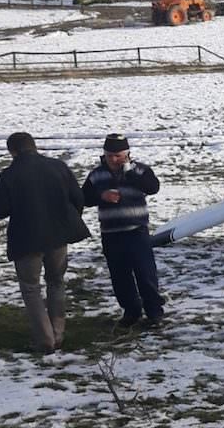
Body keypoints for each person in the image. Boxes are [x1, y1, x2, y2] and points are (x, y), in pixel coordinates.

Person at [0, 132, 90, 354]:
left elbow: (0, 210)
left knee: (31, 289)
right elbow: (78, 198)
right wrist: (67, 222)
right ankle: (58, 334)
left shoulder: (9, 175)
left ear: (12, 151)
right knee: (56, 281)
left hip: (26, 240)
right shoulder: (58, 166)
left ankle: (45, 339)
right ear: (35, 146)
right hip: (58, 236)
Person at [82, 134, 165, 327]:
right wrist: (101, 196)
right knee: (120, 275)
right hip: (111, 233)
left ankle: (154, 312)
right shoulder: (96, 175)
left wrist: (129, 172)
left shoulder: (140, 170)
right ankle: (131, 310)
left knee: (145, 273)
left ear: (127, 153)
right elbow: (84, 198)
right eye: (110, 155)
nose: (113, 160)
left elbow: (152, 187)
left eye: (118, 156)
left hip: (137, 230)